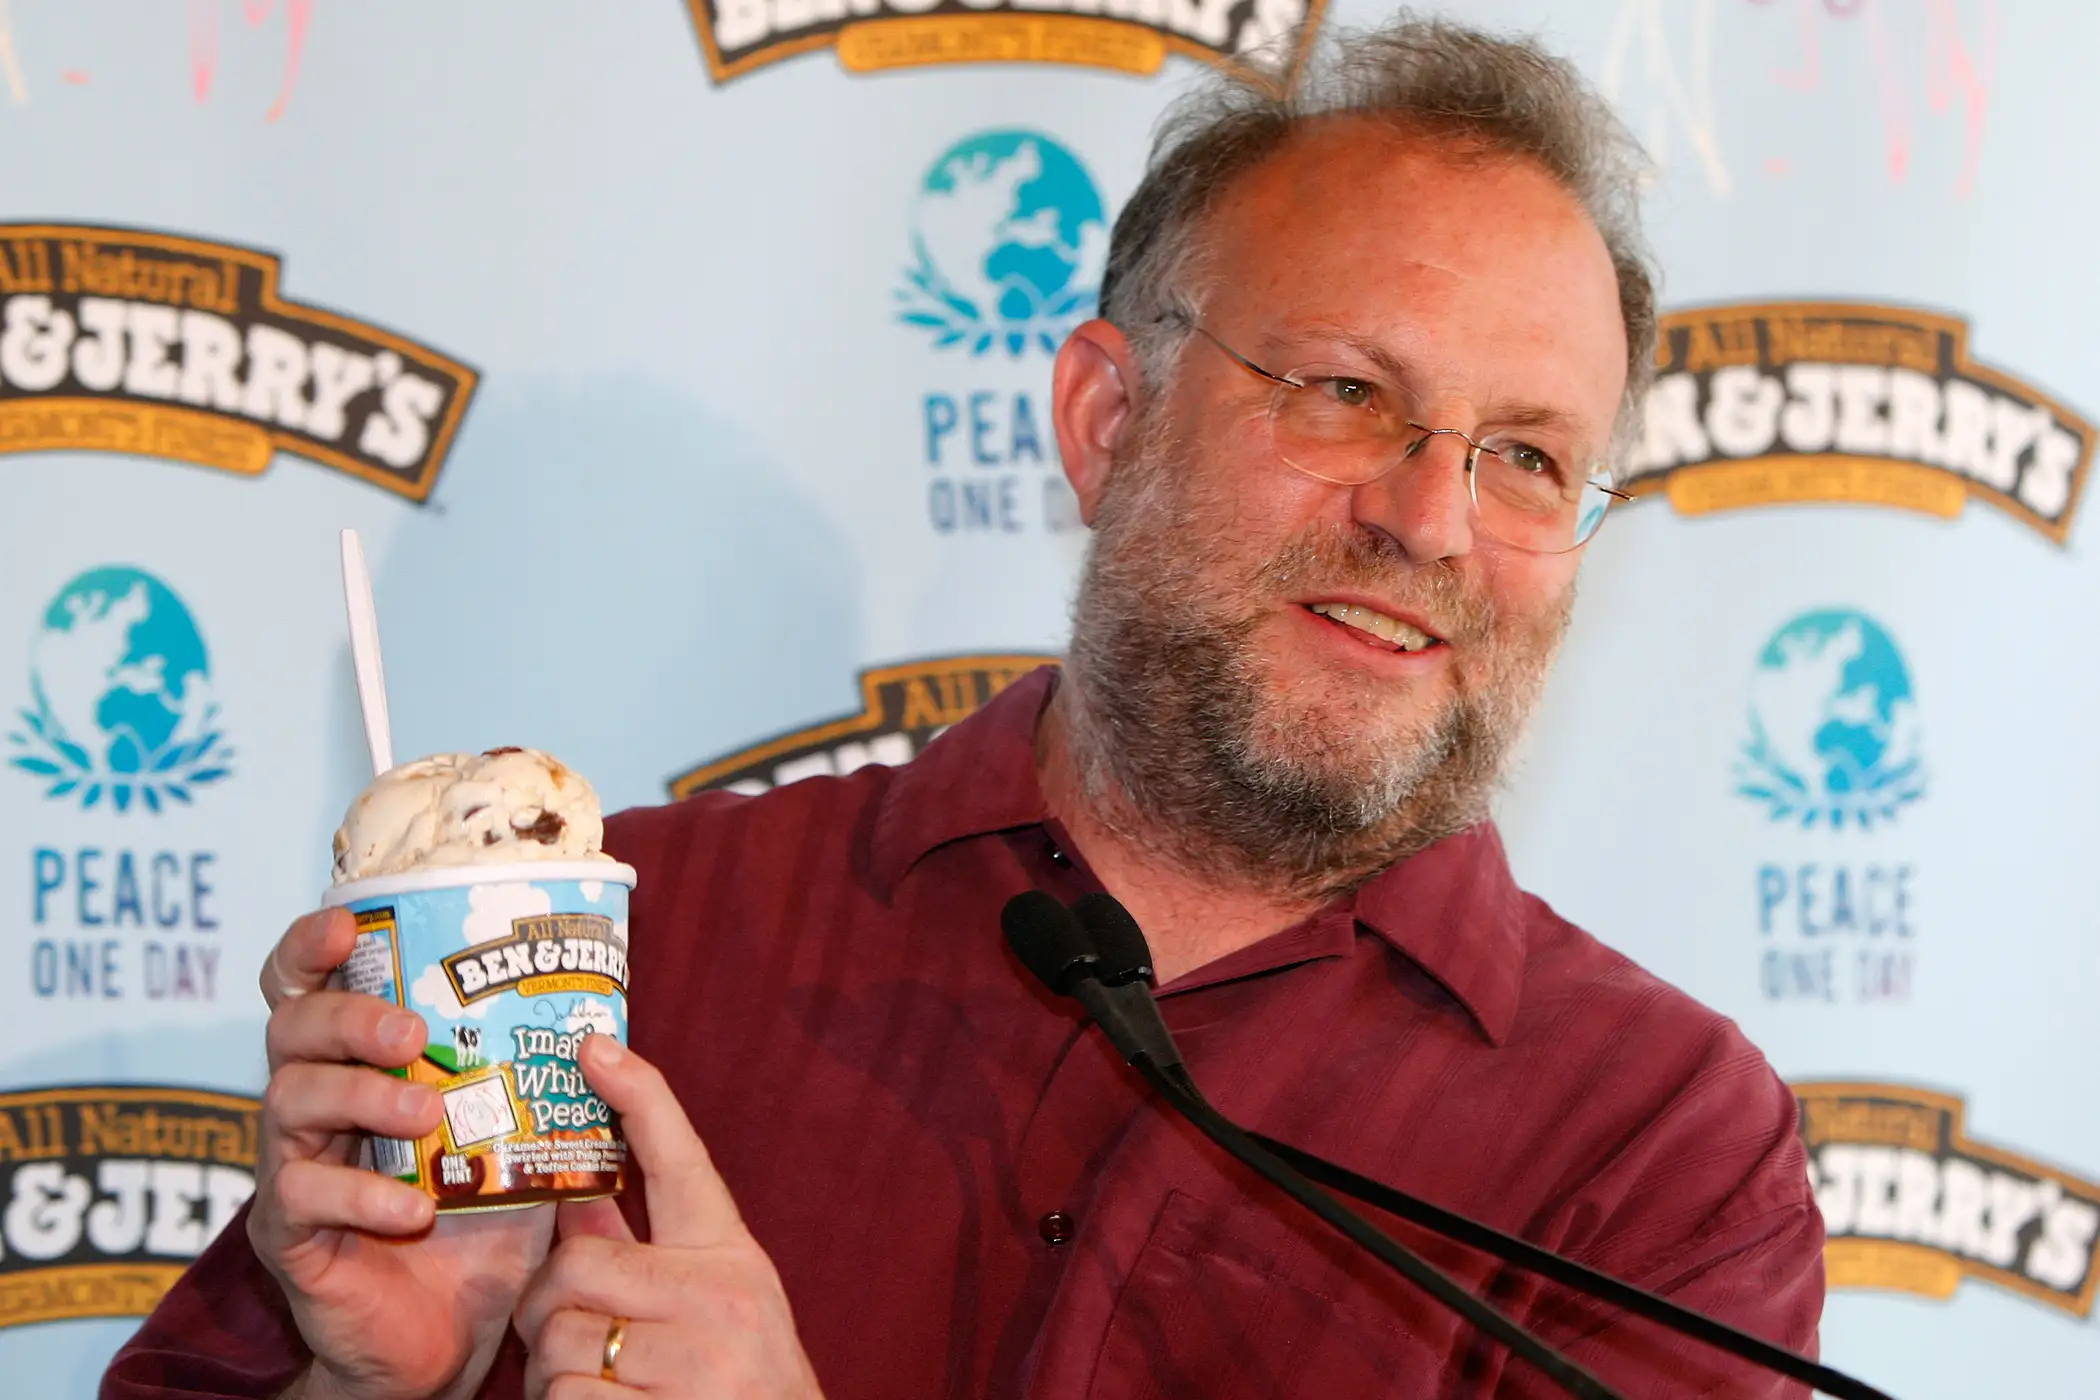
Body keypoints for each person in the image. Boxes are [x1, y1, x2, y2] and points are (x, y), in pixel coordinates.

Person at [103, 15, 1825, 1400]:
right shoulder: (611, 949)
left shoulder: (1660, 1154)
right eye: (1346, 392)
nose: (1432, 518)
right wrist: (383, 1390)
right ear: (1104, 418)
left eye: (1529, 457)